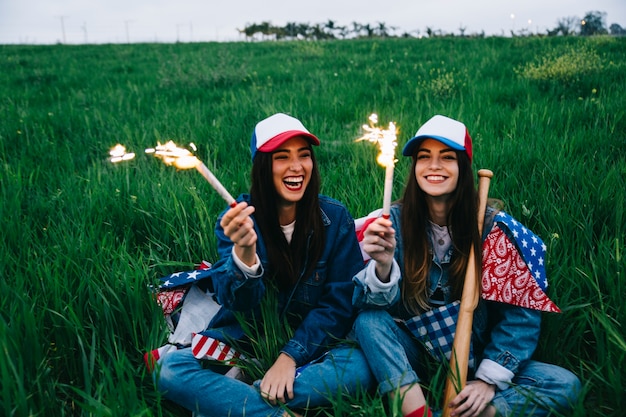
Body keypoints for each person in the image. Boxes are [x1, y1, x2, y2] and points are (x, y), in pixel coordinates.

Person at [352, 115, 581, 417]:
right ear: (414, 167)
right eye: (424, 158)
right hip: (417, 351)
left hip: (478, 353)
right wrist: (382, 267)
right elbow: (363, 305)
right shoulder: (390, 222)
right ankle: (416, 410)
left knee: (565, 384)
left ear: (464, 168)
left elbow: (520, 317)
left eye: (447, 157)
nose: (434, 166)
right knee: (368, 322)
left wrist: (489, 381)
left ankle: (474, 413)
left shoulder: (495, 230)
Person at [155, 113, 372, 417]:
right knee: (170, 369)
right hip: (247, 344)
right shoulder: (237, 220)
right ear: (262, 166)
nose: (296, 166)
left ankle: (239, 398)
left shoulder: (335, 219)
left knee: (361, 368)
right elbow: (238, 304)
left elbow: (338, 304)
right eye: (282, 157)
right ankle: (274, 410)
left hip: (313, 346)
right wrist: (245, 253)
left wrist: (289, 357)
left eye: (304, 155)